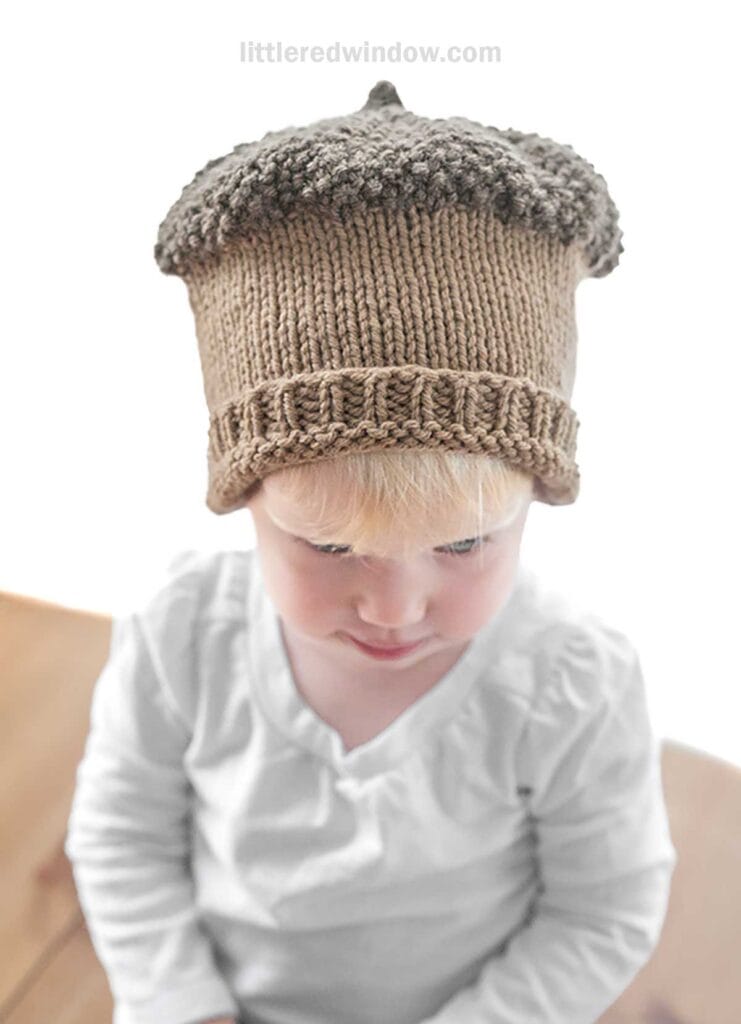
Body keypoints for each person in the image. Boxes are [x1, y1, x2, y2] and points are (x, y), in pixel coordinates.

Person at [64, 81, 677, 1024]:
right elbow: (121, 837)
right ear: (248, 501)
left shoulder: (568, 680)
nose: (393, 608)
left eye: (462, 543)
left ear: (531, 502)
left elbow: (601, 910)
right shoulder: (182, 635)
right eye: (330, 545)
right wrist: (182, 1001)